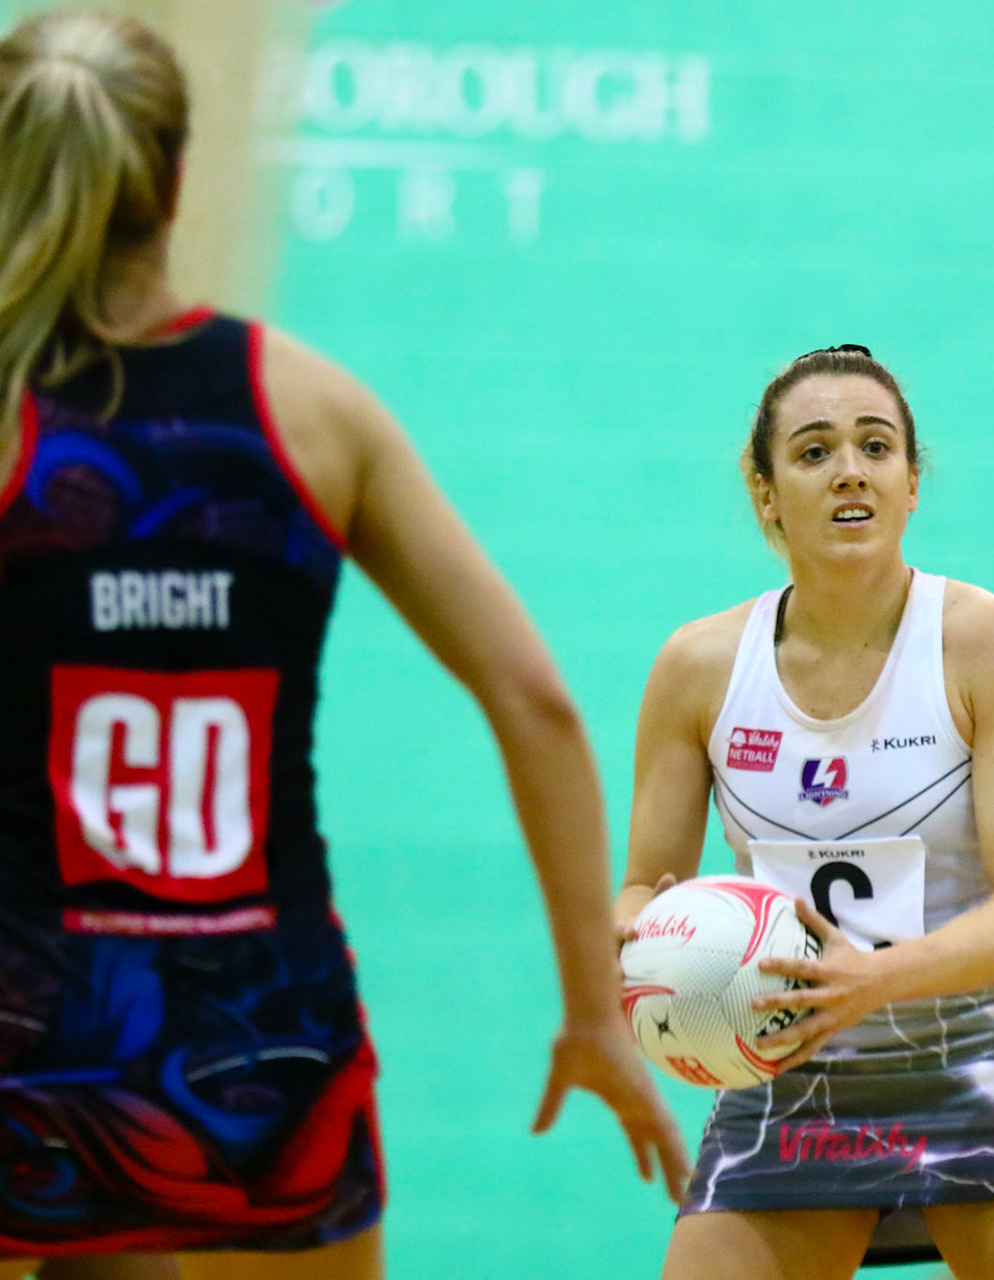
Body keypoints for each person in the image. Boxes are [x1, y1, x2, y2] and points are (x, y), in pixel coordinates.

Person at [0, 13, 684, 1279]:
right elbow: (534, 698)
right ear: (177, 180)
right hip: (265, 1051)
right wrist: (597, 1008)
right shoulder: (308, 408)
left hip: (33, 1030)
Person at [615, 346, 994, 1279]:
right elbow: (644, 886)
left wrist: (872, 980)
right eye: (814, 452)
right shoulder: (696, 669)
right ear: (764, 491)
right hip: (788, 1071)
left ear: (911, 483)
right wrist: (644, 949)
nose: (850, 469)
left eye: (876, 447)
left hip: (978, 1056)